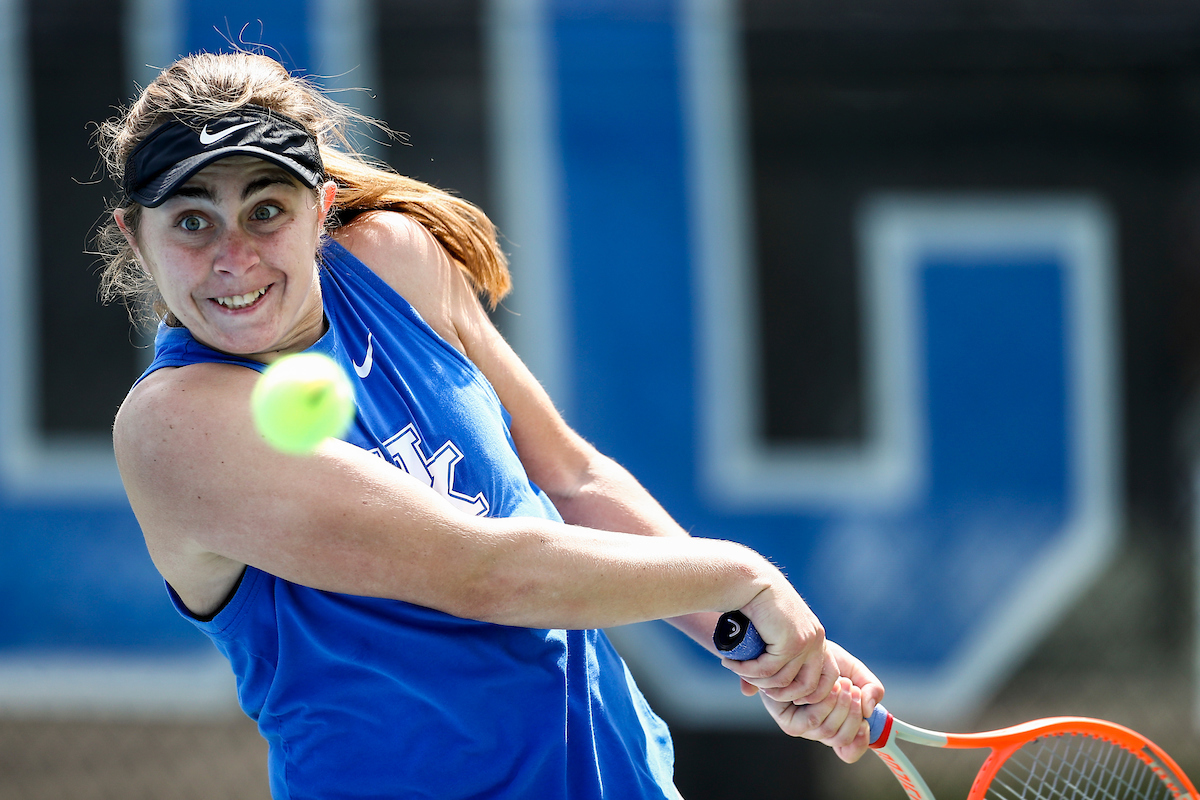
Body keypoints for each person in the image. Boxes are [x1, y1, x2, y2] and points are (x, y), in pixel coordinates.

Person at [93, 51, 884, 799]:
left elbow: (570, 478)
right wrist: (741, 576)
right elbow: (487, 575)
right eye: (192, 223)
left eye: (266, 211)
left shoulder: (393, 260)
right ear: (137, 234)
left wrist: (753, 641)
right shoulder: (176, 428)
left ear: (320, 208)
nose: (235, 258)